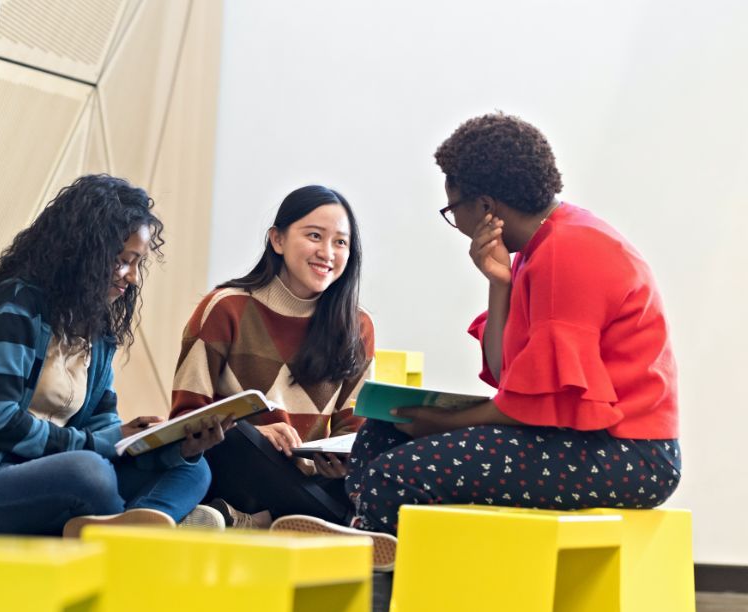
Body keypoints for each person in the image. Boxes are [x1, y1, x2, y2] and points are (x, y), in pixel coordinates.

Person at [289, 113, 680, 559]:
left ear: (486, 206)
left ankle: (368, 574)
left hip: (631, 456)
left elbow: (530, 408)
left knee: (396, 476)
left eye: (454, 210)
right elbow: (506, 374)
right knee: (384, 430)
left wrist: (443, 423)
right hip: (583, 437)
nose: (457, 223)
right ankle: (359, 532)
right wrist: (500, 284)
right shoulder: (540, 249)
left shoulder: (570, 252)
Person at [0, 174, 232, 536]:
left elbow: (100, 426)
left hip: (57, 474)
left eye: (137, 263)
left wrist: (170, 445)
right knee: (88, 472)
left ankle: (130, 532)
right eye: (125, 260)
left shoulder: (99, 335)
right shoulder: (15, 307)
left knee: (193, 468)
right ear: (86, 253)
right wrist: (99, 444)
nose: (133, 278)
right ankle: (140, 532)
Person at [171, 185, 379, 536]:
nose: (327, 252)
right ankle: (344, 526)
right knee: (240, 441)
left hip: (310, 477)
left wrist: (337, 463)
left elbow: (352, 429)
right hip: (239, 465)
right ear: (277, 240)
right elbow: (184, 421)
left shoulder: (357, 326)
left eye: (340, 242)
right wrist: (257, 433)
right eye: (314, 236)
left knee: (380, 461)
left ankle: (253, 521)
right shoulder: (225, 308)